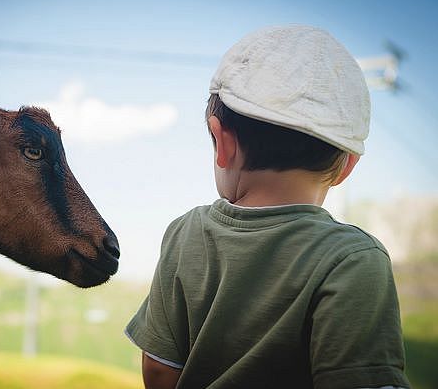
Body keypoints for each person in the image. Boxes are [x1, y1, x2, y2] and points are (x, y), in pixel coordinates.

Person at [125, 25, 410, 389]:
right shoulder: (354, 258)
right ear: (346, 166)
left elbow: (160, 371)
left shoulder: (185, 233)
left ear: (221, 141)